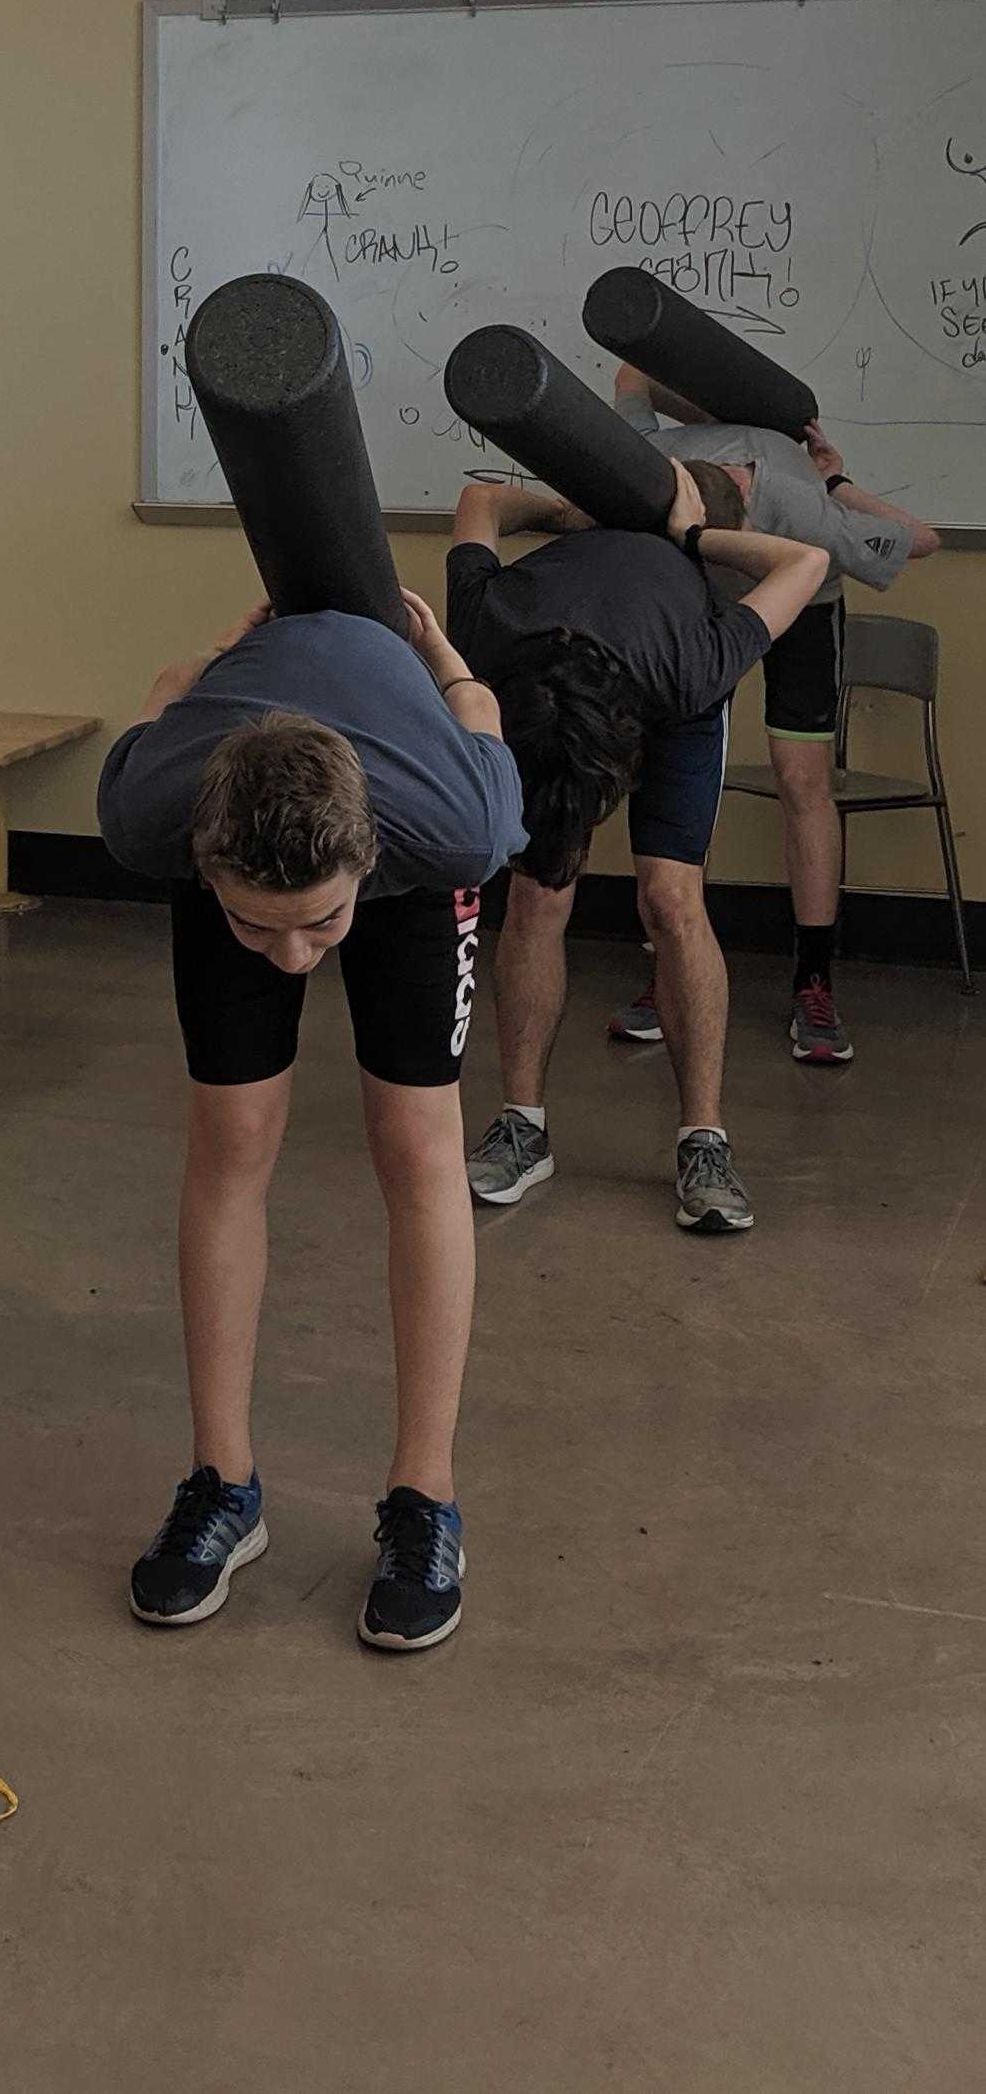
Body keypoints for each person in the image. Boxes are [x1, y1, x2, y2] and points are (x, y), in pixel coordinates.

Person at [99, 588, 525, 1657]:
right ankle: (221, 1485)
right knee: (229, 1141)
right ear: (203, 867)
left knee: (415, 1146)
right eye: (261, 926)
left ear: (365, 859)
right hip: (241, 755)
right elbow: (165, 696)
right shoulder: (153, 805)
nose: (296, 956)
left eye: (316, 925)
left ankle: (424, 1501)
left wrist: (436, 651)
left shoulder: (451, 821)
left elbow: (477, 713)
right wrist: (220, 648)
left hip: (407, 845)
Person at [450, 458, 829, 1237]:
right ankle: (522, 1127)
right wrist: (568, 510)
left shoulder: (697, 662)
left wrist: (694, 538)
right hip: (551, 680)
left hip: (669, 676)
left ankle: (705, 1141)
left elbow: (808, 560)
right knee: (537, 887)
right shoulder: (490, 628)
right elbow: (483, 497)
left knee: (670, 898)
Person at [603, 362, 939, 1066]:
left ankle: (814, 981)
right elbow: (632, 373)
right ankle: (671, 966)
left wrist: (837, 482)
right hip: (703, 603)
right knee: (674, 767)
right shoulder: (645, 465)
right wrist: (710, 407)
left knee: (801, 779)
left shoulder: (800, 502)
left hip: (806, 602)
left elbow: (925, 539)